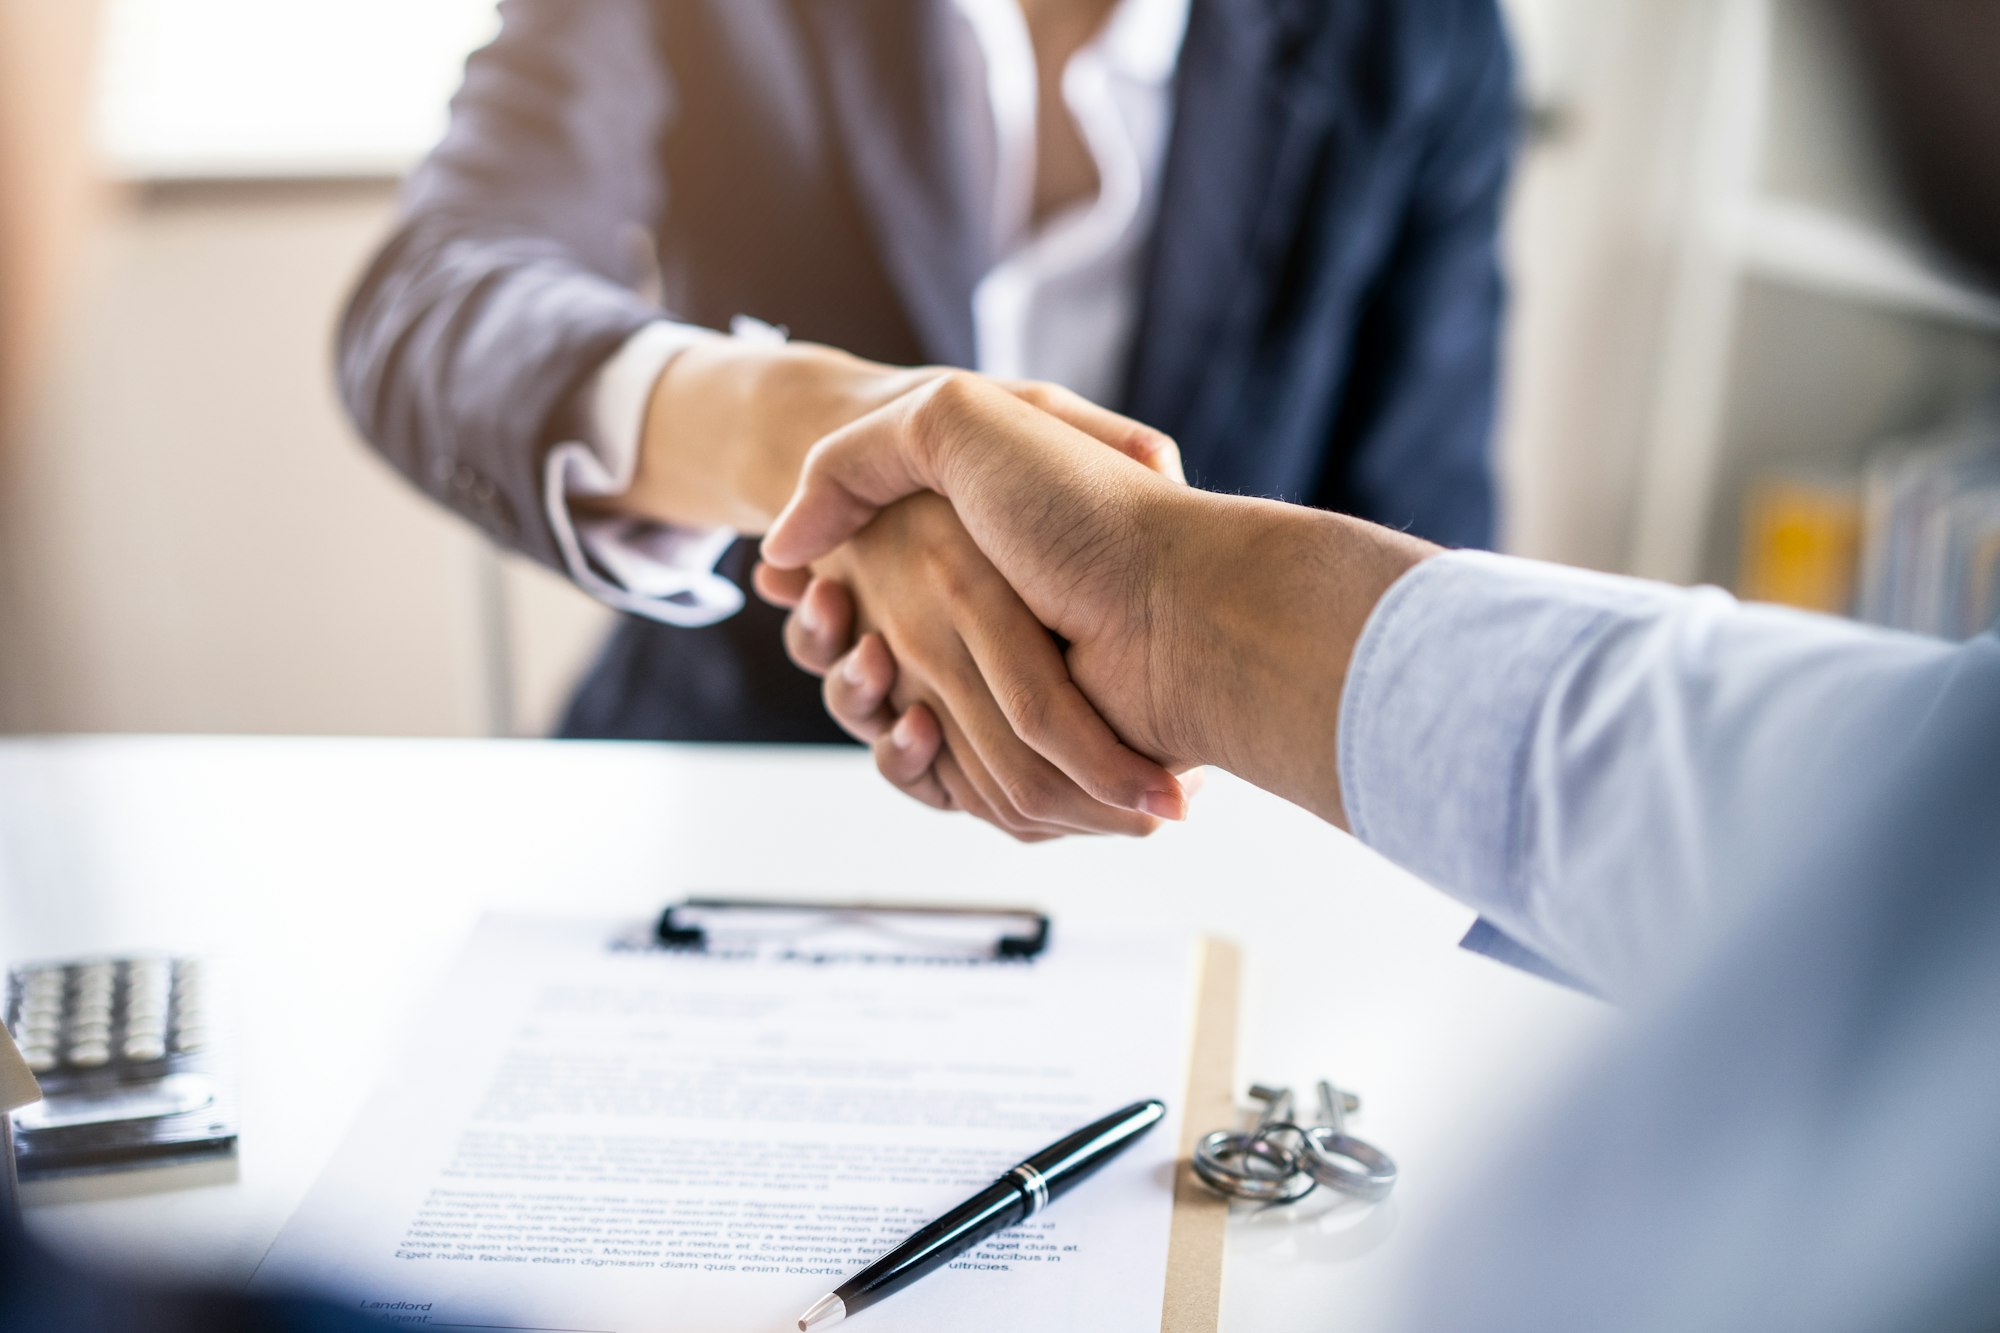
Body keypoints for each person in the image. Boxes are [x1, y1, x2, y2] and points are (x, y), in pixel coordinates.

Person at [749, 0, 2000, 1322]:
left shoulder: (1418, 35)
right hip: (739, 788)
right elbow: (503, 300)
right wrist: (840, 468)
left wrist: (1161, 609)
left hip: (1219, 852)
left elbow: (1431, 498)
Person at [336, 0, 1516, 839]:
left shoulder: (1416, 34)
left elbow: (1418, 532)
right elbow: (435, 295)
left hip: (1201, 836)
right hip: (727, 781)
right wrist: (826, 444)